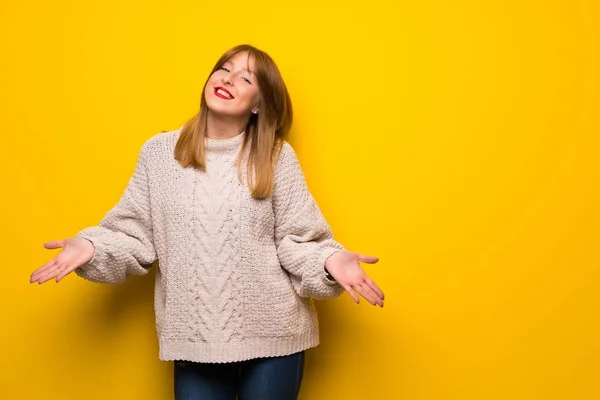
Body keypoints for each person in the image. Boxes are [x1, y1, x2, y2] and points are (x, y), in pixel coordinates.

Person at [29, 44, 385, 400]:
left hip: (275, 336)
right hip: (195, 341)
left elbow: (298, 240)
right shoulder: (159, 154)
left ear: (258, 103)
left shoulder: (276, 157)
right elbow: (133, 235)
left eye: (245, 78)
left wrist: (329, 260)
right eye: (224, 69)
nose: (228, 79)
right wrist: (92, 246)